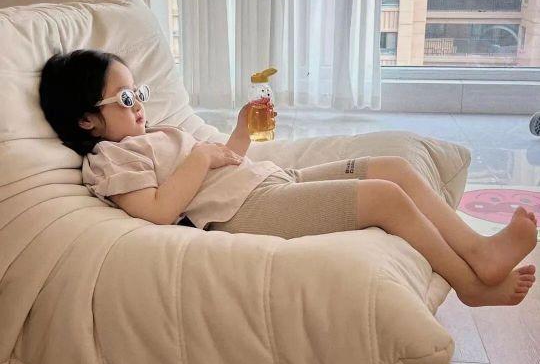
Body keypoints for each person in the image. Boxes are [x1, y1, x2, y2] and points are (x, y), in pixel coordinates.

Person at [39, 49, 538, 308]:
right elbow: (158, 212)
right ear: (86, 119)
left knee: (393, 166)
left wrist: (239, 132)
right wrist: (200, 158)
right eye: (126, 99)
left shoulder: (156, 135)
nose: (140, 106)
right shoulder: (110, 159)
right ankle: (470, 286)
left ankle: (479, 252)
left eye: (139, 93)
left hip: (269, 180)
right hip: (246, 212)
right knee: (385, 197)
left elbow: (225, 162)